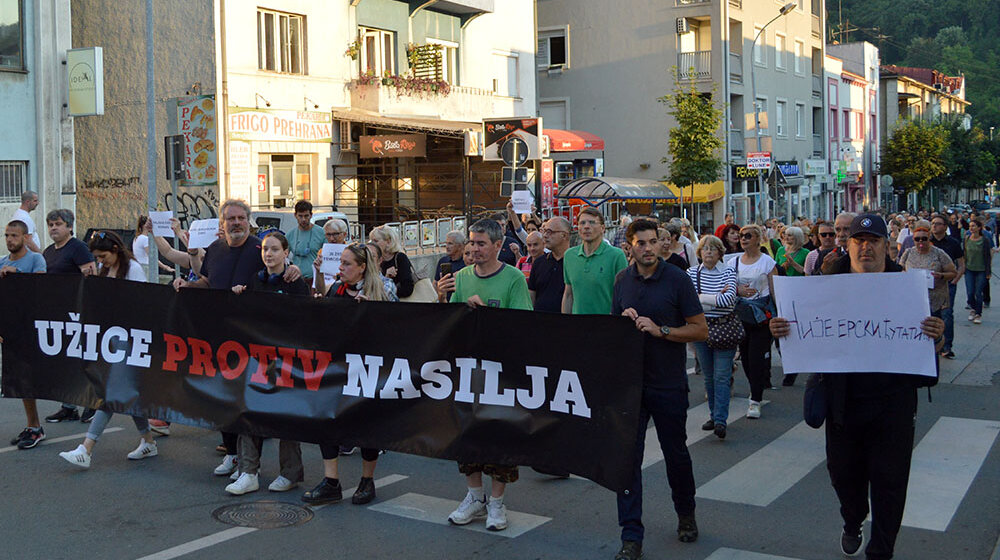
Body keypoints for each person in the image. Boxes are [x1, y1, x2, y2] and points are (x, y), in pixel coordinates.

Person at [769, 213, 944, 560]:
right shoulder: (827, 282)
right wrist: (783, 332)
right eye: (858, 240)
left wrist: (934, 336)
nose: (865, 247)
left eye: (873, 241)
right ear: (848, 245)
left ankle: (881, 551)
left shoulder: (906, 285)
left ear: (888, 246)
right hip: (843, 403)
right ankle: (853, 519)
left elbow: (925, 346)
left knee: (890, 484)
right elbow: (803, 335)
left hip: (893, 403)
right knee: (843, 477)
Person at [174, 199, 301, 477]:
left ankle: (257, 466)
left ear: (248, 220)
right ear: (223, 223)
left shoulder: (260, 247)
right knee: (222, 397)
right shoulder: (215, 250)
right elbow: (207, 281)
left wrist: (295, 271)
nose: (236, 223)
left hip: (254, 339)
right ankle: (231, 454)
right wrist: (188, 285)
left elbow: (280, 270)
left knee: (252, 401)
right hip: (220, 335)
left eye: (241, 218)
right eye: (230, 218)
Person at [611, 218, 707, 560]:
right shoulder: (623, 280)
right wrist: (624, 324)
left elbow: (700, 330)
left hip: (667, 382)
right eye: (641, 243)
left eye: (653, 242)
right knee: (627, 461)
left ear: (660, 244)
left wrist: (661, 330)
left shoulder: (677, 279)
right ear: (630, 246)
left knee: (675, 454)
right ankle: (631, 535)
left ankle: (686, 513)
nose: (648, 248)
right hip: (632, 386)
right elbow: (613, 334)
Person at [446, 219, 531, 532]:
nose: (474, 249)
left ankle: (497, 502)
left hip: (502, 370)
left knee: (499, 437)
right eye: (472, 243)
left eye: (481, 243)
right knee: (467, 434)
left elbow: (522, 325)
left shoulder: (513, 279)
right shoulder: (462, 277)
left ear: (498, 245)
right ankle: (474, 496)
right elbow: (451, 321)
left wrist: (488, 315)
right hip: (469, 370)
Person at [302, 243, 392, 506]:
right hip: (337, 368)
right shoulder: (336, 290)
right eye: (340, 263)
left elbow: (398, 327)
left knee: (366, 425)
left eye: (346, 264)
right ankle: (331, 482)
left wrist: (372, 312)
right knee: (327, 419)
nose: (340, 268)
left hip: (368, 369)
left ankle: (367, 481)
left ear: (362, 267)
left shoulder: (382, 289)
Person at [58, 231, 157, 468]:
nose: (100, 260)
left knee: (112, 392)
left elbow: (140, 303)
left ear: (115, 250)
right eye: (97, 257)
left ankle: (86, 448)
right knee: (126, 393)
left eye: (103, 256)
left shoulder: (132, 269)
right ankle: (149, 441)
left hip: (130, 340)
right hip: (113, 339)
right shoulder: (106, 270)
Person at [227, 233, 309, 495]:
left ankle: (290, 473)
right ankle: (248, 472)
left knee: (285, 415)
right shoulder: (255, 280)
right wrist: (240, 295)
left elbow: (305, 319)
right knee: (249, 412)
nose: (269, 254)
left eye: (274, 249)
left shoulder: (296, 282)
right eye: (265, 249)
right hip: (259, 359)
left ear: (286, 252)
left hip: (287, 359)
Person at [41, 209, 97, 424]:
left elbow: (90, 278)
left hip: (78, 312)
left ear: (70, 227)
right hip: (57, 314)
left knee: (82, 359)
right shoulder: (48, 252)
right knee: (64, 361)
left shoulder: (78, 248)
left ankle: (91, 403)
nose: (53, 228)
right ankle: (68, 406)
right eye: (50, 224)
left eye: (58, 224)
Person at [2, 220, 48, 450]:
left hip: (32, 329)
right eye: (7, 235)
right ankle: (33, 426)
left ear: (25, 237)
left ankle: (36, 426)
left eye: (14, 236)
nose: (10, 240)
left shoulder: (35, 259)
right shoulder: (1, 262)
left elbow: (41, 290)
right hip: (11, 330)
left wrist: (18, 274)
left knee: (30, 378)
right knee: (20, 380)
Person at [687, 235, 737, 440]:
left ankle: (720, 420)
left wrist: (702, 298)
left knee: (722, 376)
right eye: (705, 248)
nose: (708, 252)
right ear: (699, 252)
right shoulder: (691, 273)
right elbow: (689, 301)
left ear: (720, 252)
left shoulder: (728, 271)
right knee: (708, 376)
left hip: (724, 328)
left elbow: (728, 300)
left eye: (713, 249)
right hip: (702, 329)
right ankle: (713, 414)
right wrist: (714, 298)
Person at [730, 224, 776, 419]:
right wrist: (737, 290)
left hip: (761, 317)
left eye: (748, 235)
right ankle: (754, 388)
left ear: (758, 239)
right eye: (741, 235)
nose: (743, 239)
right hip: (741, 315)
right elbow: (727, 286)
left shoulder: (767, 262)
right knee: (747, 359)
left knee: (756, 358)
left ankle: (755, 400)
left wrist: (778, 314)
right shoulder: (734, 262)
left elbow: (776, 290)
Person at [562, 207, 628, 315]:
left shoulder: (617, 255)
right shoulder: (569, 255)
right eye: (582, 223)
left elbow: (624, 295)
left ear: (603, 228)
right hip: (577, 326)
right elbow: (568, 294)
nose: (586, 226)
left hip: (606, 326)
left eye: (592, 222)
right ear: (578, 228)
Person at [900, 220, 958, 335]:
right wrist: (905, 276)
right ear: (913, 240)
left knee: (933, 330)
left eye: (924, 239)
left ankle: (944, 348)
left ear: (929, 238)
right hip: (914, 298)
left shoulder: (938, 253)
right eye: (917, 239)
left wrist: (941, 276)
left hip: (935, 299)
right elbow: (900, 269)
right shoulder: (908, 253)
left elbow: (953, 272)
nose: (920, 241)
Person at [930, 214, 964, 358]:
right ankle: (934, 343)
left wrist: (955, 279)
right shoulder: (927, 242)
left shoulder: (953, 243)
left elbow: (961, 264)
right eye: (932, 223)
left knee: (946, 315)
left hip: (947, 283)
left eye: (937, 223)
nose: (934, 226)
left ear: (945, 227)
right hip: (930, 285)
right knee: (932, 315)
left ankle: (947, 347)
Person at [528, 217, 571, 313]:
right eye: (544, 231)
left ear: (564, 235)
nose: (545, 236)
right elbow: (531, 295)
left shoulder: (575, 263)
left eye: (549, 232)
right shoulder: (539, 262)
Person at [369, 225, 414, 298]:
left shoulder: (400, 258)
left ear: (388, 241)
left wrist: (388, 285)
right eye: (371, 240)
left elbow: (407, 289)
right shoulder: (373, 259)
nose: (372, 244)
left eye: (376, 241)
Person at [963, 216, 994, 324]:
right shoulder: (966, 239)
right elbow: (964, 254)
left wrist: (988, 271)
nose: (971, 228)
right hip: (969, 269)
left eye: (973, 226)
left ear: (979, 228)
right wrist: (962, 267)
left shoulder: (984, 240)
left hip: (981, 270)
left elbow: (988, 256)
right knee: (970, 292)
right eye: (970, 226)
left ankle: (978, 314)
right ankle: (973, 309)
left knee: (978, 292)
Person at [287, 200, 325, 281]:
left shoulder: (321, 232)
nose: (303, 219)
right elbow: (283, 255)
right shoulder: (290, 234)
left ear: (311, 215)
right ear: (295, 215)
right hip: (296, 279)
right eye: (300, 216)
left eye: (306, 216)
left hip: (315, 280)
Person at [312, 218, 350, 297]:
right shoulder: (322, 252)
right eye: (328, 235)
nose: (332, 238)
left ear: (345, 234)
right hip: (327, 292)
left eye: (335, 234)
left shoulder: (352, 251)